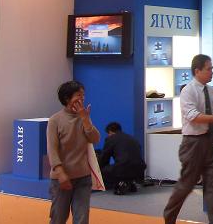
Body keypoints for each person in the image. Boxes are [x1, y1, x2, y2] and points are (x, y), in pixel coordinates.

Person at [163, 54, 213, 224]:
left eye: (212, 69)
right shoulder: (188, 91)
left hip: (211, 142)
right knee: (187, 184)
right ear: (197, 71)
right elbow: (193, 116)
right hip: (193, 143)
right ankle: (169, 217)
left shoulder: (212, 92)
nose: (212, 72)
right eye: (209, 69)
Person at [47, 80, 100, 224]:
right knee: (58, 218)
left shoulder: (83, 117)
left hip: (83, 178)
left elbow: (95, 139)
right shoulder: (55, 120)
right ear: (67, 98)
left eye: (83, 95)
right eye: (78, 95)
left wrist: (85, 119)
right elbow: (52, 150)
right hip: (61, 179)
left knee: (81, 219)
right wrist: (61, 173)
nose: (82, 98)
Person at [98, 122, 147, 195]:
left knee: (104, 170)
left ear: (110, 132)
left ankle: (120, 184)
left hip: (124, 168)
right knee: (122, 166)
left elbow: (104, 158)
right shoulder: (132, 138)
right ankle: (129, 182)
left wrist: (98, 169)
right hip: (140, 168)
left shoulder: (111, 139)